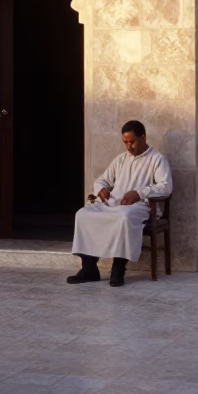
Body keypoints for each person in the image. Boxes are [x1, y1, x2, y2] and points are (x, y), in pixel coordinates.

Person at [68, 120, 173, 287]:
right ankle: (89, 268)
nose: (128, 146)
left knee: (124, 217)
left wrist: (138, 193)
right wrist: (102, 190)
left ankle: (118, 269)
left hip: (140, 206)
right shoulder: (121, 159)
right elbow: (101, 180)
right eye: (125, 142)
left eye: (132, 141)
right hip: (114, 203)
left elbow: (165, 187)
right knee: (83, 214)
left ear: (143, 137)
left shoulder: (157, 159)